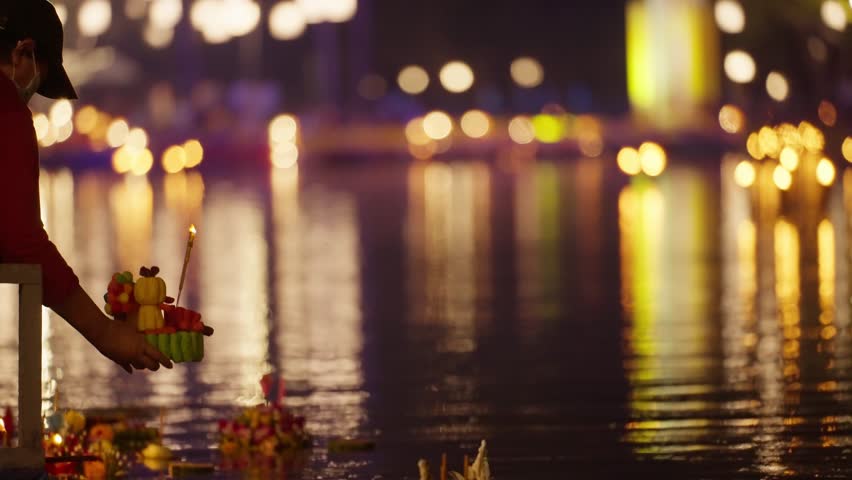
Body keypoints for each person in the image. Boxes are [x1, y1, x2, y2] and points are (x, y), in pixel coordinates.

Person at [0, 0, 172, 373]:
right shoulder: (6, 110)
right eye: (38, 79)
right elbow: (20, 240)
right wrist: (104, 333)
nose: (31, 94)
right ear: (22, 52)